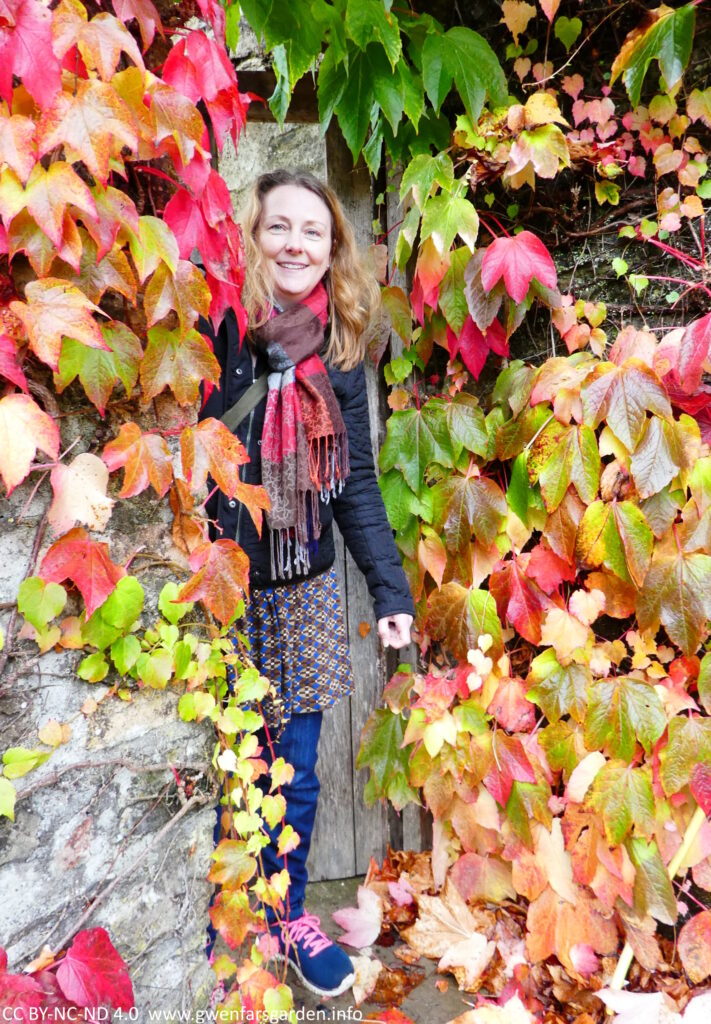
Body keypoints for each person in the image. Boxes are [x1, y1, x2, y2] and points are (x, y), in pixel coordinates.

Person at [200, 169, 415, 998]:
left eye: (312, 232)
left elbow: (354, 478)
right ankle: (238, 921)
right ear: (252, 235)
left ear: (334, 250)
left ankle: (288, 914)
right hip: (226, 578)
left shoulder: (342, 349)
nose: (295, 243)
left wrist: (390, 594)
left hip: (308, 581)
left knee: (298, 760)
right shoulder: (221, 326)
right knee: (236, 754)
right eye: (279, 227)